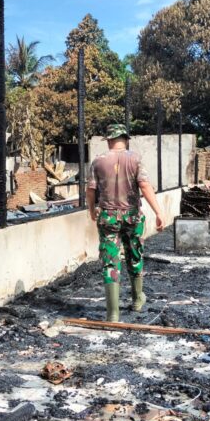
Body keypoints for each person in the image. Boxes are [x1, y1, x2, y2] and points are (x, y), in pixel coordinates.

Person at [86, 123, 165, 322]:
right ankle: (138, 299)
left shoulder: (98, 161)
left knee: (110, 261)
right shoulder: (136, 159)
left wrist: (91, 211)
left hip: (108, 217)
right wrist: (158, 212)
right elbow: (144, 186)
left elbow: (90, 190)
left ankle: (113, 314)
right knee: (135, 254)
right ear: (125, 139)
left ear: (110, 140)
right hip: (132, 216)